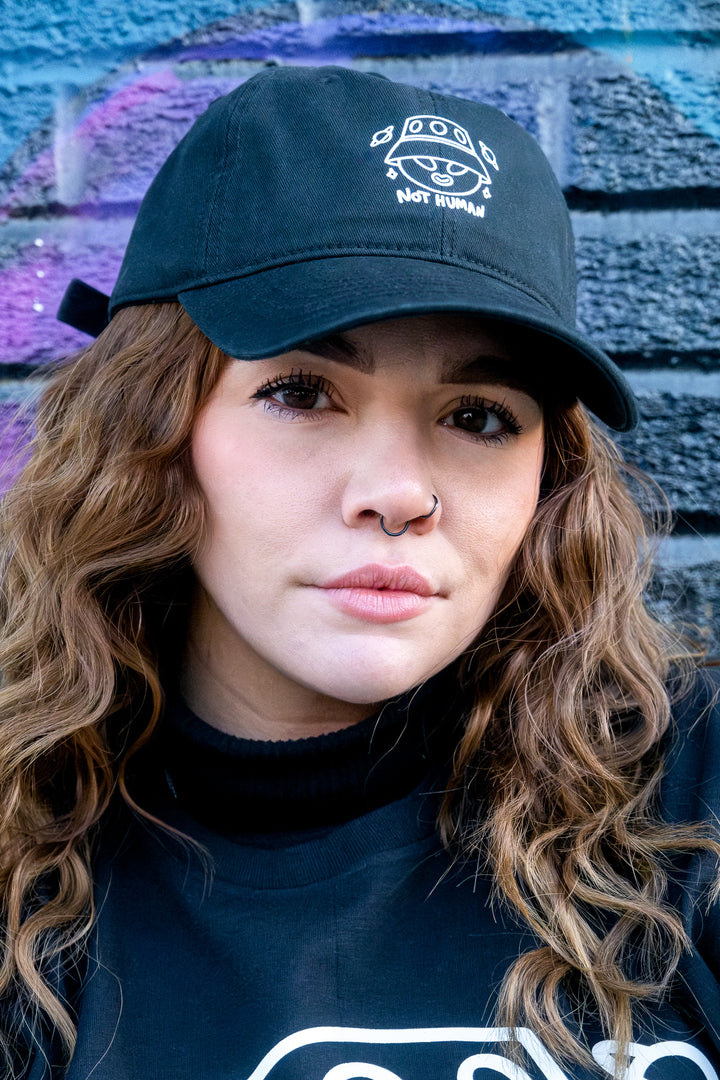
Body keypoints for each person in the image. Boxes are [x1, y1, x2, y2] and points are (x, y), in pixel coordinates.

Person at [0, 64, 718, 1080]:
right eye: (302, 393)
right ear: (154, 430)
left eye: (478, 418)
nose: (399, 493)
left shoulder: (694, 801)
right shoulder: (26, 864)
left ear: (545, 482)